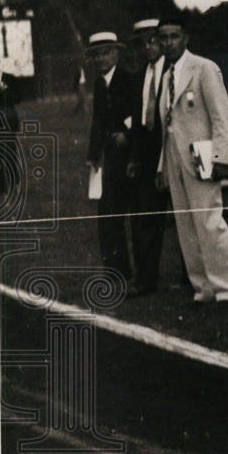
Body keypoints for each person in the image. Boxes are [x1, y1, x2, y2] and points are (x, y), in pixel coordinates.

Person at [155, 17, 228, 307]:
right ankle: (204, 286)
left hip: (202, 157)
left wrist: (221, 156)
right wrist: (161, 166)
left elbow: (222, 116)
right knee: (186, 226)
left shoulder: (204, 68)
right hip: (174, 156)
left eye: (174, 36)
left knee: (209, 221)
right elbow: (166, 124)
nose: (168, 42)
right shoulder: (165, 74)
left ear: (185, 38)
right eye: (163, 38)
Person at [85, 31, 137, 282]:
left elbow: (139, 113)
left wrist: (126, 134)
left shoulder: (128, 79)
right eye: (96, 55)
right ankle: (116, 271)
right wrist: (93, 156)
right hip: (110, 157)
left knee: (133, 215)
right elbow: (98, 122)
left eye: (105, 53)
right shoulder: (98, 84)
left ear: (116, 53)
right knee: (108, 216)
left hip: (131, 156)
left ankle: (133, 273)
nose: (101, 59)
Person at [127, 18, 170, 296]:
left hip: (171, 149)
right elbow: (138, 118)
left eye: (153, 40)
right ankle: (146, 280)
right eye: (143, 43)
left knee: (187, 217)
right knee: (146, 217)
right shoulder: (140, 73)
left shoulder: (174, 69)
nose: (148, 47)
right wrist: (134, 157)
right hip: (146, 154)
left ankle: (196, 278)